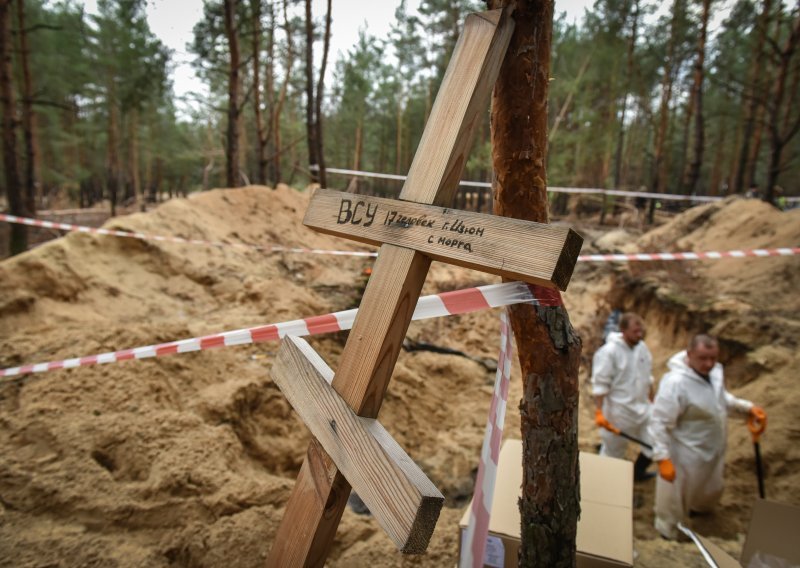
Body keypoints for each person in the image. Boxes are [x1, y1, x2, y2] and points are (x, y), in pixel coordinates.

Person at [649, 334, 766, 540]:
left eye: (713, 358)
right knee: (675, 497)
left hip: (711, 447)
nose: (709, 364)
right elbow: (659, 421)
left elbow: (720, 399)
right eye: (703, 358)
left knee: (709, 487)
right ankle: (669, 532)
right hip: (685, 452)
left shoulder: (714, 373)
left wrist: (748, 409)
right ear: (689, 354)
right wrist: (662, 457)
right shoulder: (675, 383)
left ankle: (700, 510)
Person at [591, 312, 655, 481]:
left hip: (643, 411)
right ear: (623, 330)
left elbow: (648, 378)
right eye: (635, 331)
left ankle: (637, 474)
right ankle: (609, 486)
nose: (639, 334)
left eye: (641, 331)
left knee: (654, 443)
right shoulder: (609, 352)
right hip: (618, 414)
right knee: (613, 455)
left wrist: (652, 400)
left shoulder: (642, 348)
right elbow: (600, 385)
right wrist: (599, 412)